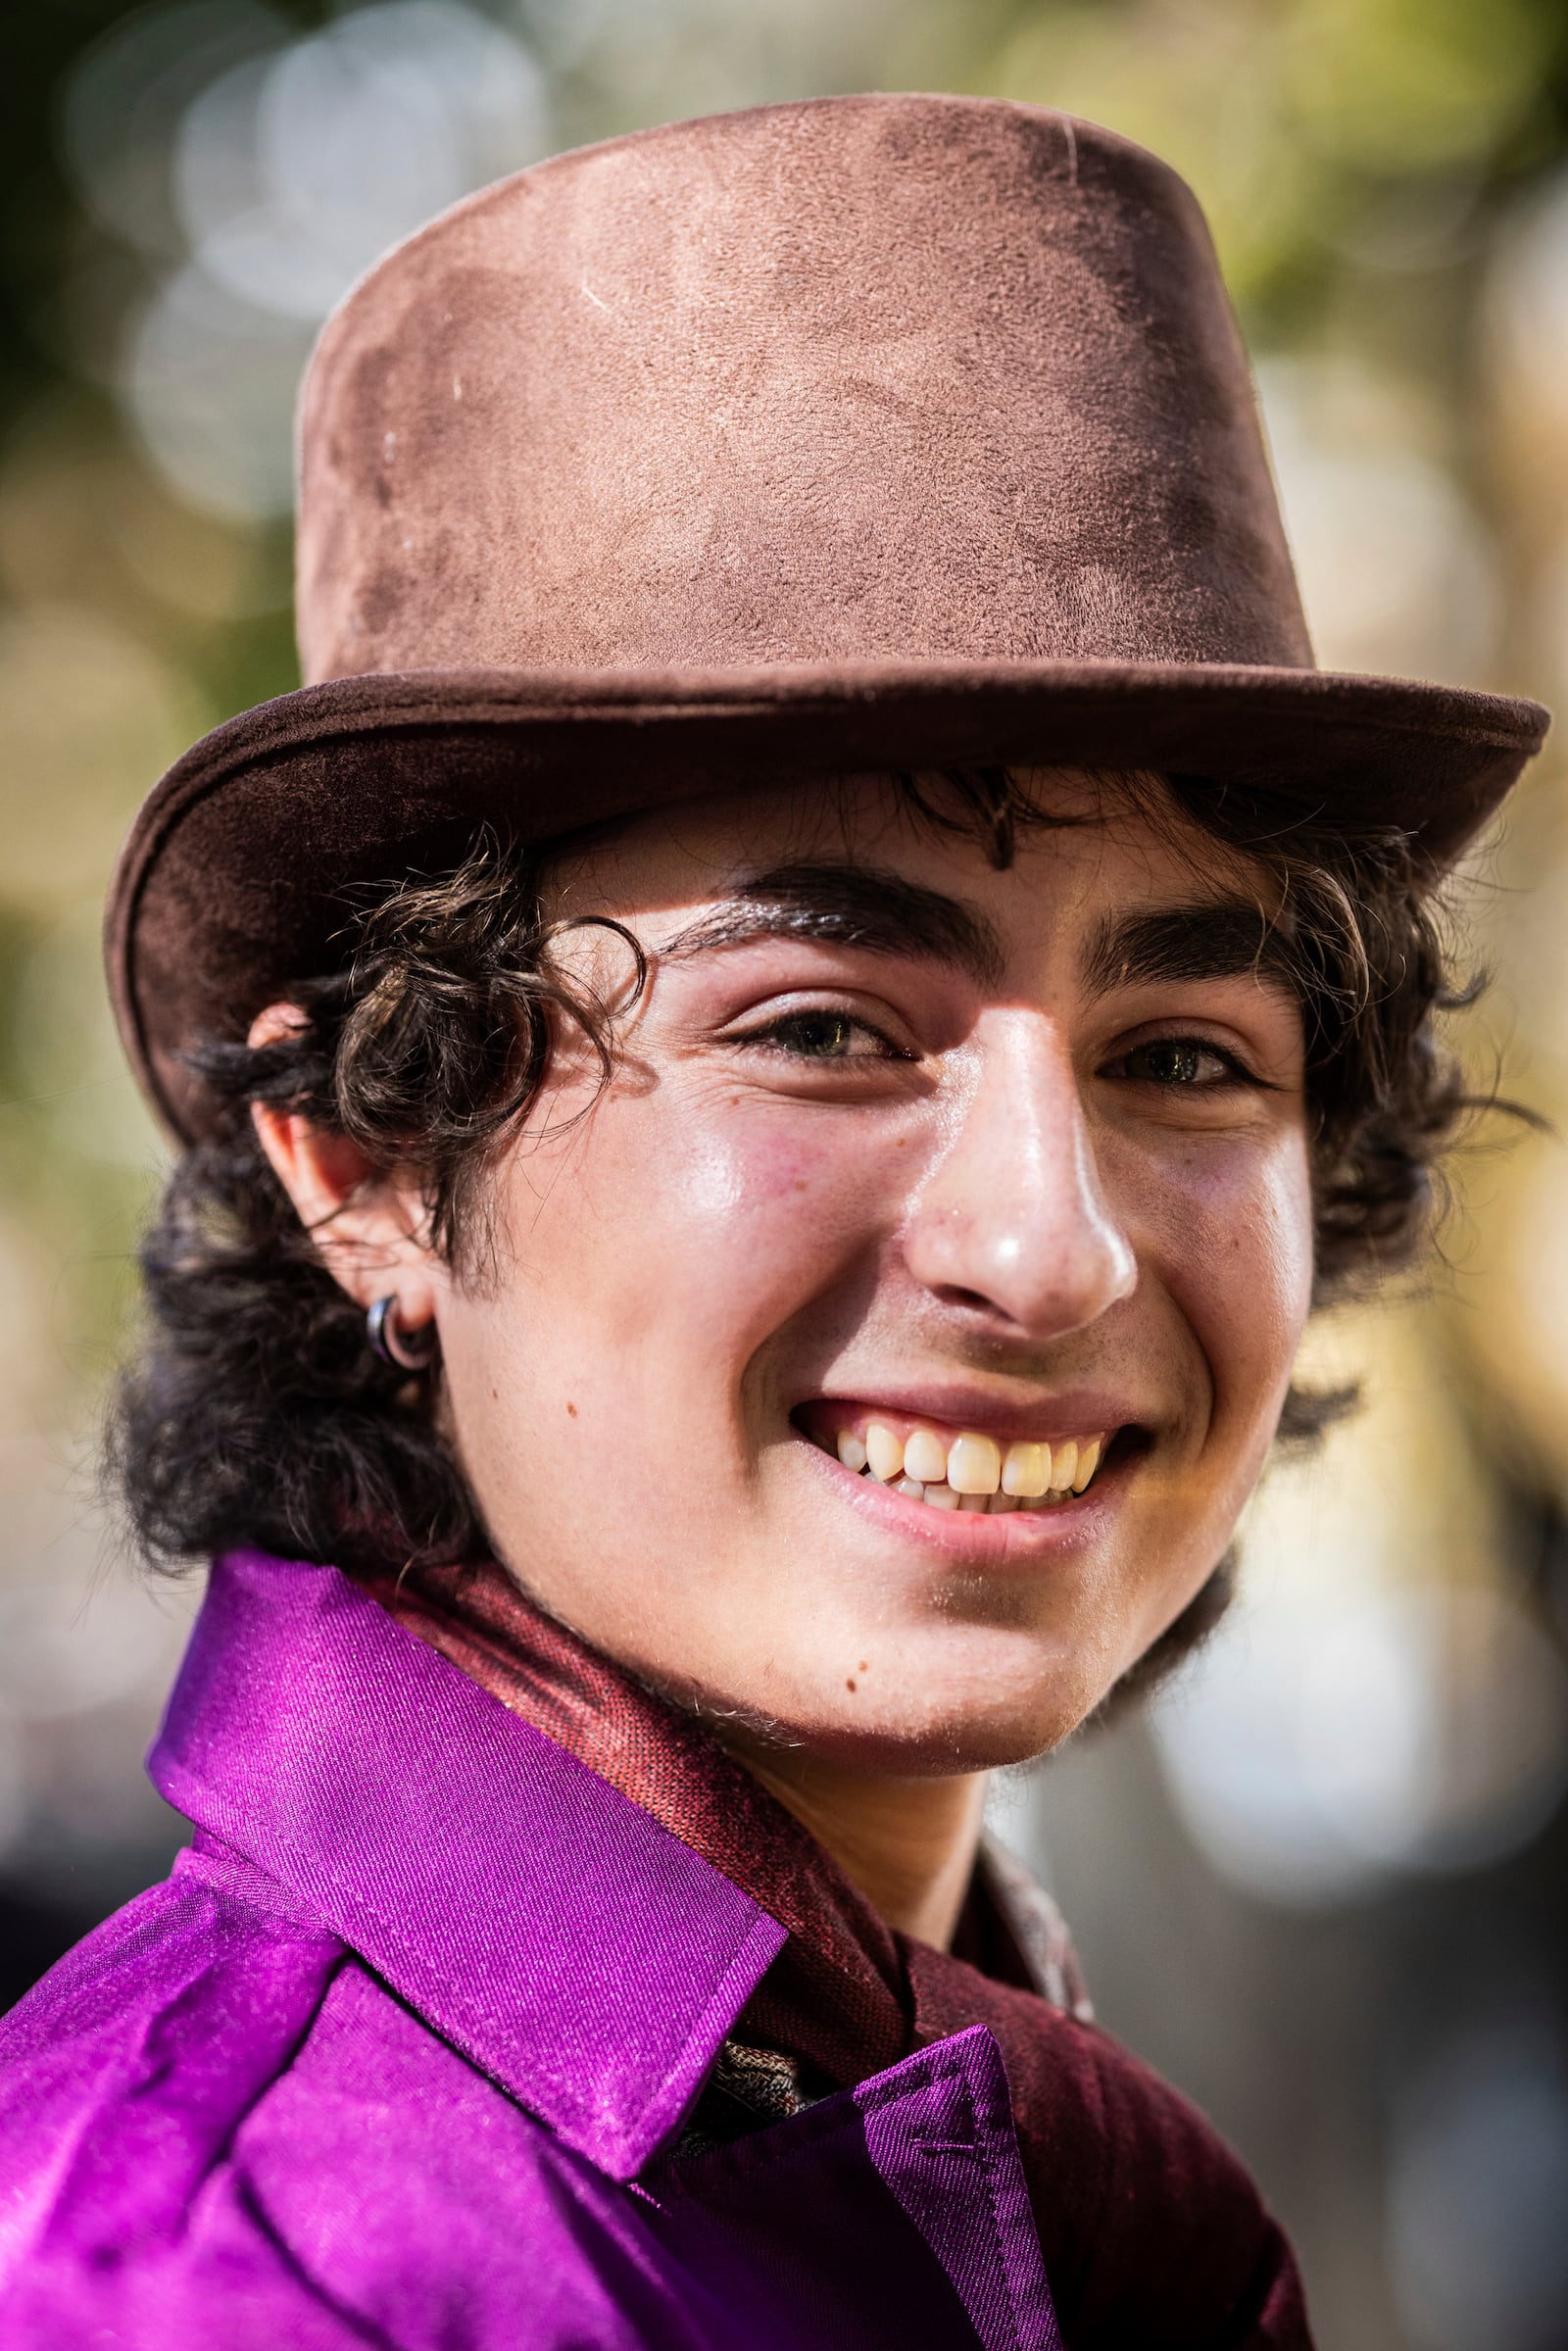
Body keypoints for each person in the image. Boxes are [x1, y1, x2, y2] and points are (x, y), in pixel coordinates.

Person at [0, 93, 1546, 2350]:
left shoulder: (927, 2111)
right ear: (365, 1163)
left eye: (1184, 1056)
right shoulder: (218, 2272)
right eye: (821, 1028)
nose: (1053, 1250)